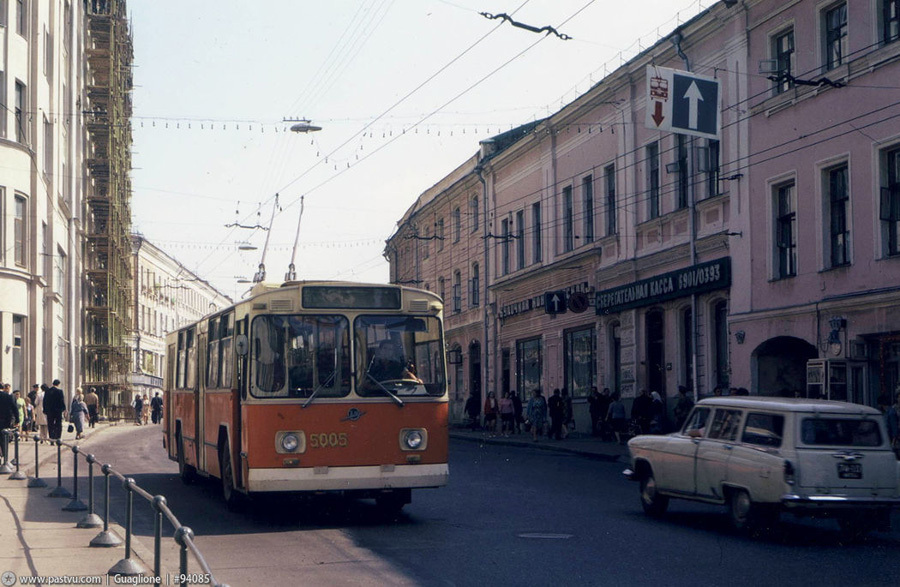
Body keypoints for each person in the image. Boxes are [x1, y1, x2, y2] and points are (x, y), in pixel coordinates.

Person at [0, 384, 19, 460]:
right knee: (4, 438)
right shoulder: (9, 396)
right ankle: (5, 456)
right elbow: (15, 408)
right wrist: (17, 420)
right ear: (3, 388)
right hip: (5, 420)